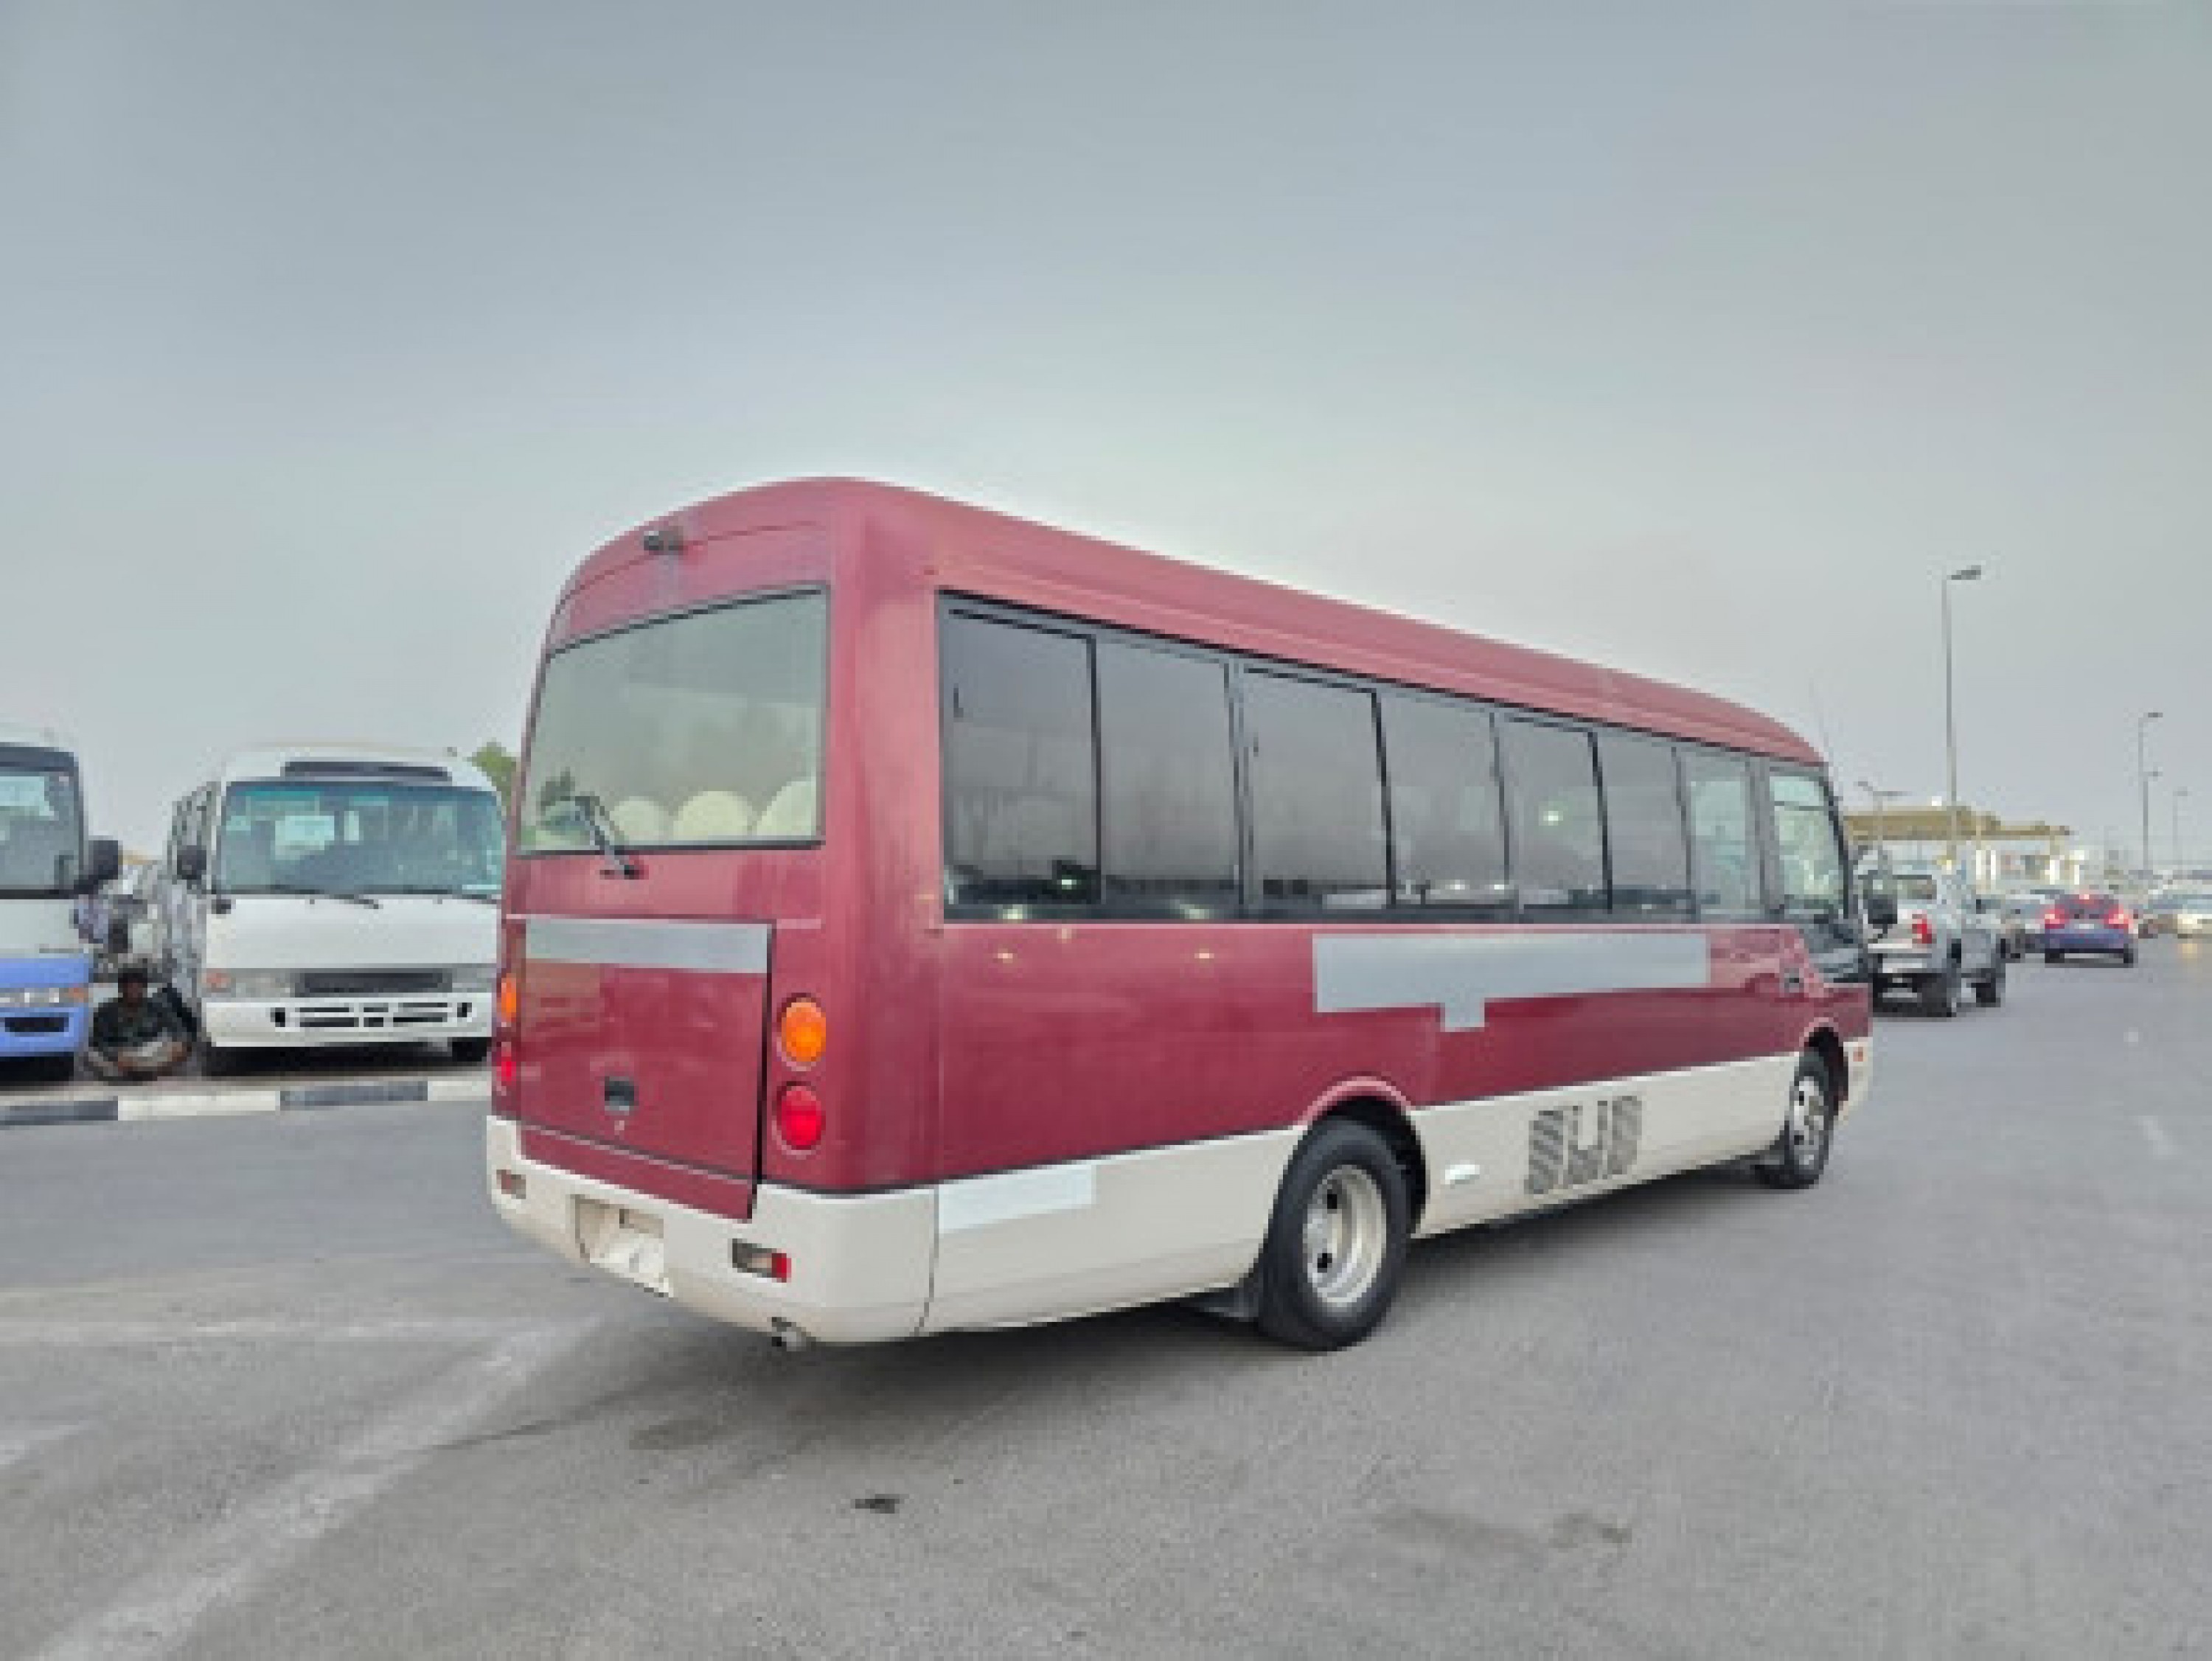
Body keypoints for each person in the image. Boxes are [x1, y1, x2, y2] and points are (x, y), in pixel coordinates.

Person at [83, 964, 189, 1084]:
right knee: (90, 1055)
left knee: (177, 1049)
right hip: (120, 1055)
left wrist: (179, 1043)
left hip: (148, 1053)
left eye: (138, 987)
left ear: (144, 988)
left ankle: (139, 1073)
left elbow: (179, 1029)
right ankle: (143, 1074)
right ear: (121, 989)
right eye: (130, 987)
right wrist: (115, 1055)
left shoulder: (158, 1006)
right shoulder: (105, 1011)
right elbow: (98, 1042)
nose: (134, 991)